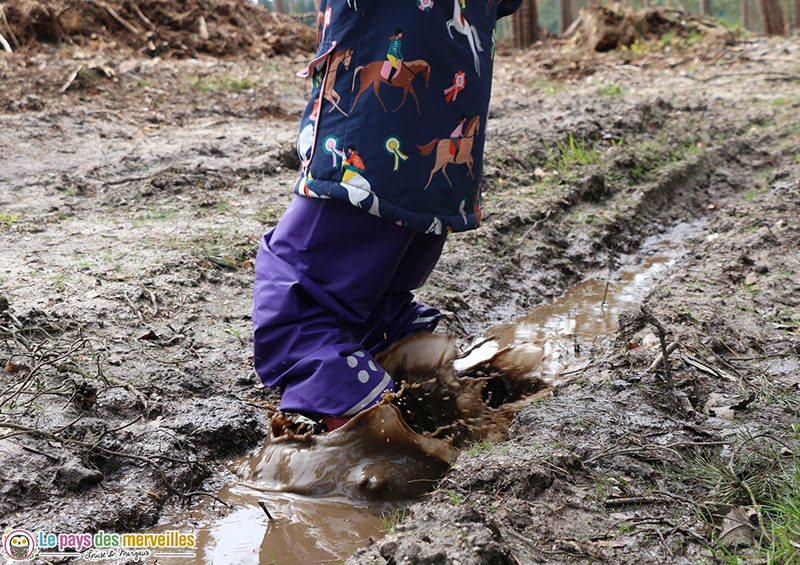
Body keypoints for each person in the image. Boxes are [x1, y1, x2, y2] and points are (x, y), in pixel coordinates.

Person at [253, 0, 522, 432]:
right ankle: (402, 354)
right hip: (445, 128)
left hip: (368, 138)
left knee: (302, 290)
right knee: (377, 288)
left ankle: (354, 420)